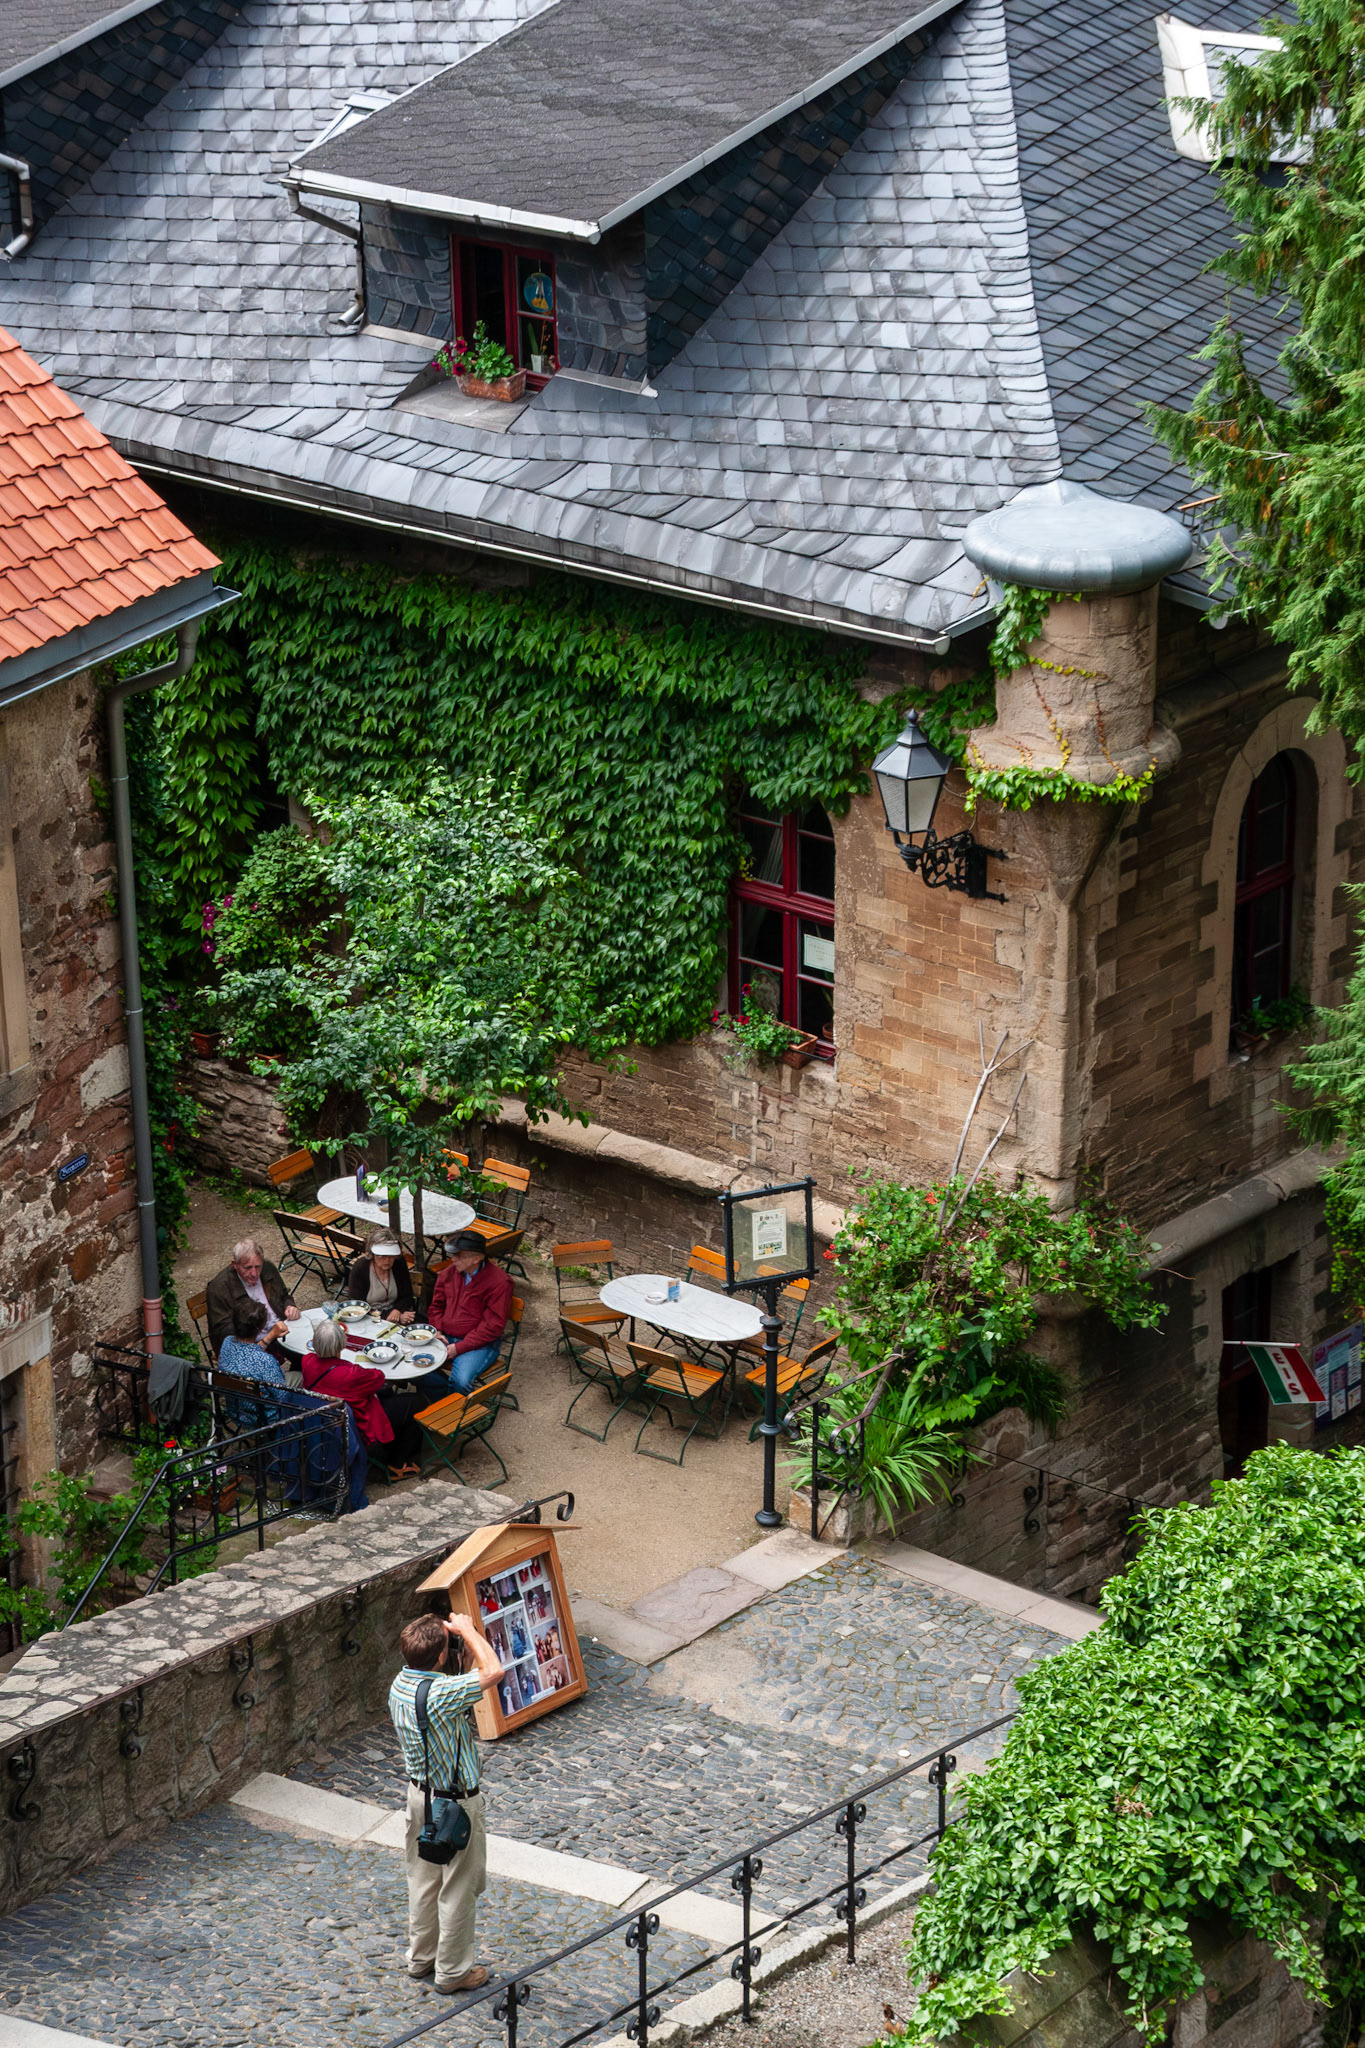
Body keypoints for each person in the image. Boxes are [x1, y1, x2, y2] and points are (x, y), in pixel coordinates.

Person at [389, 1612, 503, 1993]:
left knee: (422, 1880)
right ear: (441, 1657)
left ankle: (421, 1959)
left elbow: (444, 1690)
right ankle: (453, 1972)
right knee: (457, 1887)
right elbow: (494, 1671)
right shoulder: (442, 1695)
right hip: (454, 1805)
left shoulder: (400, 1685)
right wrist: (469, 1633)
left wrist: (457, 1657)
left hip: (418, 1797)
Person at [301, 1316, 422, 1477]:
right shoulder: (351, 1374)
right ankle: (397, 1463)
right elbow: (378, 1377)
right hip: (359, 1421)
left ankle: (392, 1449)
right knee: (417, 1402)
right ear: (341, 1345)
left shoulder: (307, 1361)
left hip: (329, 1416)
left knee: (388, 1395)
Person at [428, 1234, 512, 1396]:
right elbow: (436, 1307)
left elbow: (492, 1327)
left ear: (477, 1258)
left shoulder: (500, 1282)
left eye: (458, 1255)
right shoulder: (448, 1274)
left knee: (461, 1380)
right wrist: (437, 1330)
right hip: (445, 1336)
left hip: (480, 1344)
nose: (453, 1259)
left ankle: (457, 1411)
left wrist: (459, 1348)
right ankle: (443, 1400)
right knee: (417, 1366)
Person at [205, 1238, 299, 1357]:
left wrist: (289, 1306)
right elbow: (224, 1333)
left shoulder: (267, 1267)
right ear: (235, 1265)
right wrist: (267, 1335)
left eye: (257, 1266)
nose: (254, 1273)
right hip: (252, 1344)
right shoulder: (219, 1288)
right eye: (248, 1268)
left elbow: (284, 1295)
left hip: (281, 1329)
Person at [215, 1298, 287, 1421]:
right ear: (260, 1328)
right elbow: (283, 1397)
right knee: (299, 1376)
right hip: (265, 1417)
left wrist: (269, 1337)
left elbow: (248, 1353)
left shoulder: (227, 1342)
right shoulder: (265, 1362)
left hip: (237, 1411)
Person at [348, 1231, 416, 1321]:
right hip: (368, 1317)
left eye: (391, 1256)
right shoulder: (361, 1268)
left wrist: (398, 1310)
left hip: (397, 1312)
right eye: (382, 1256)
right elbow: (356, 1303)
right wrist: (386, 1316)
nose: (387, 1260)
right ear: (373, 1254)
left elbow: (407, 1294)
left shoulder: (398, 1263)